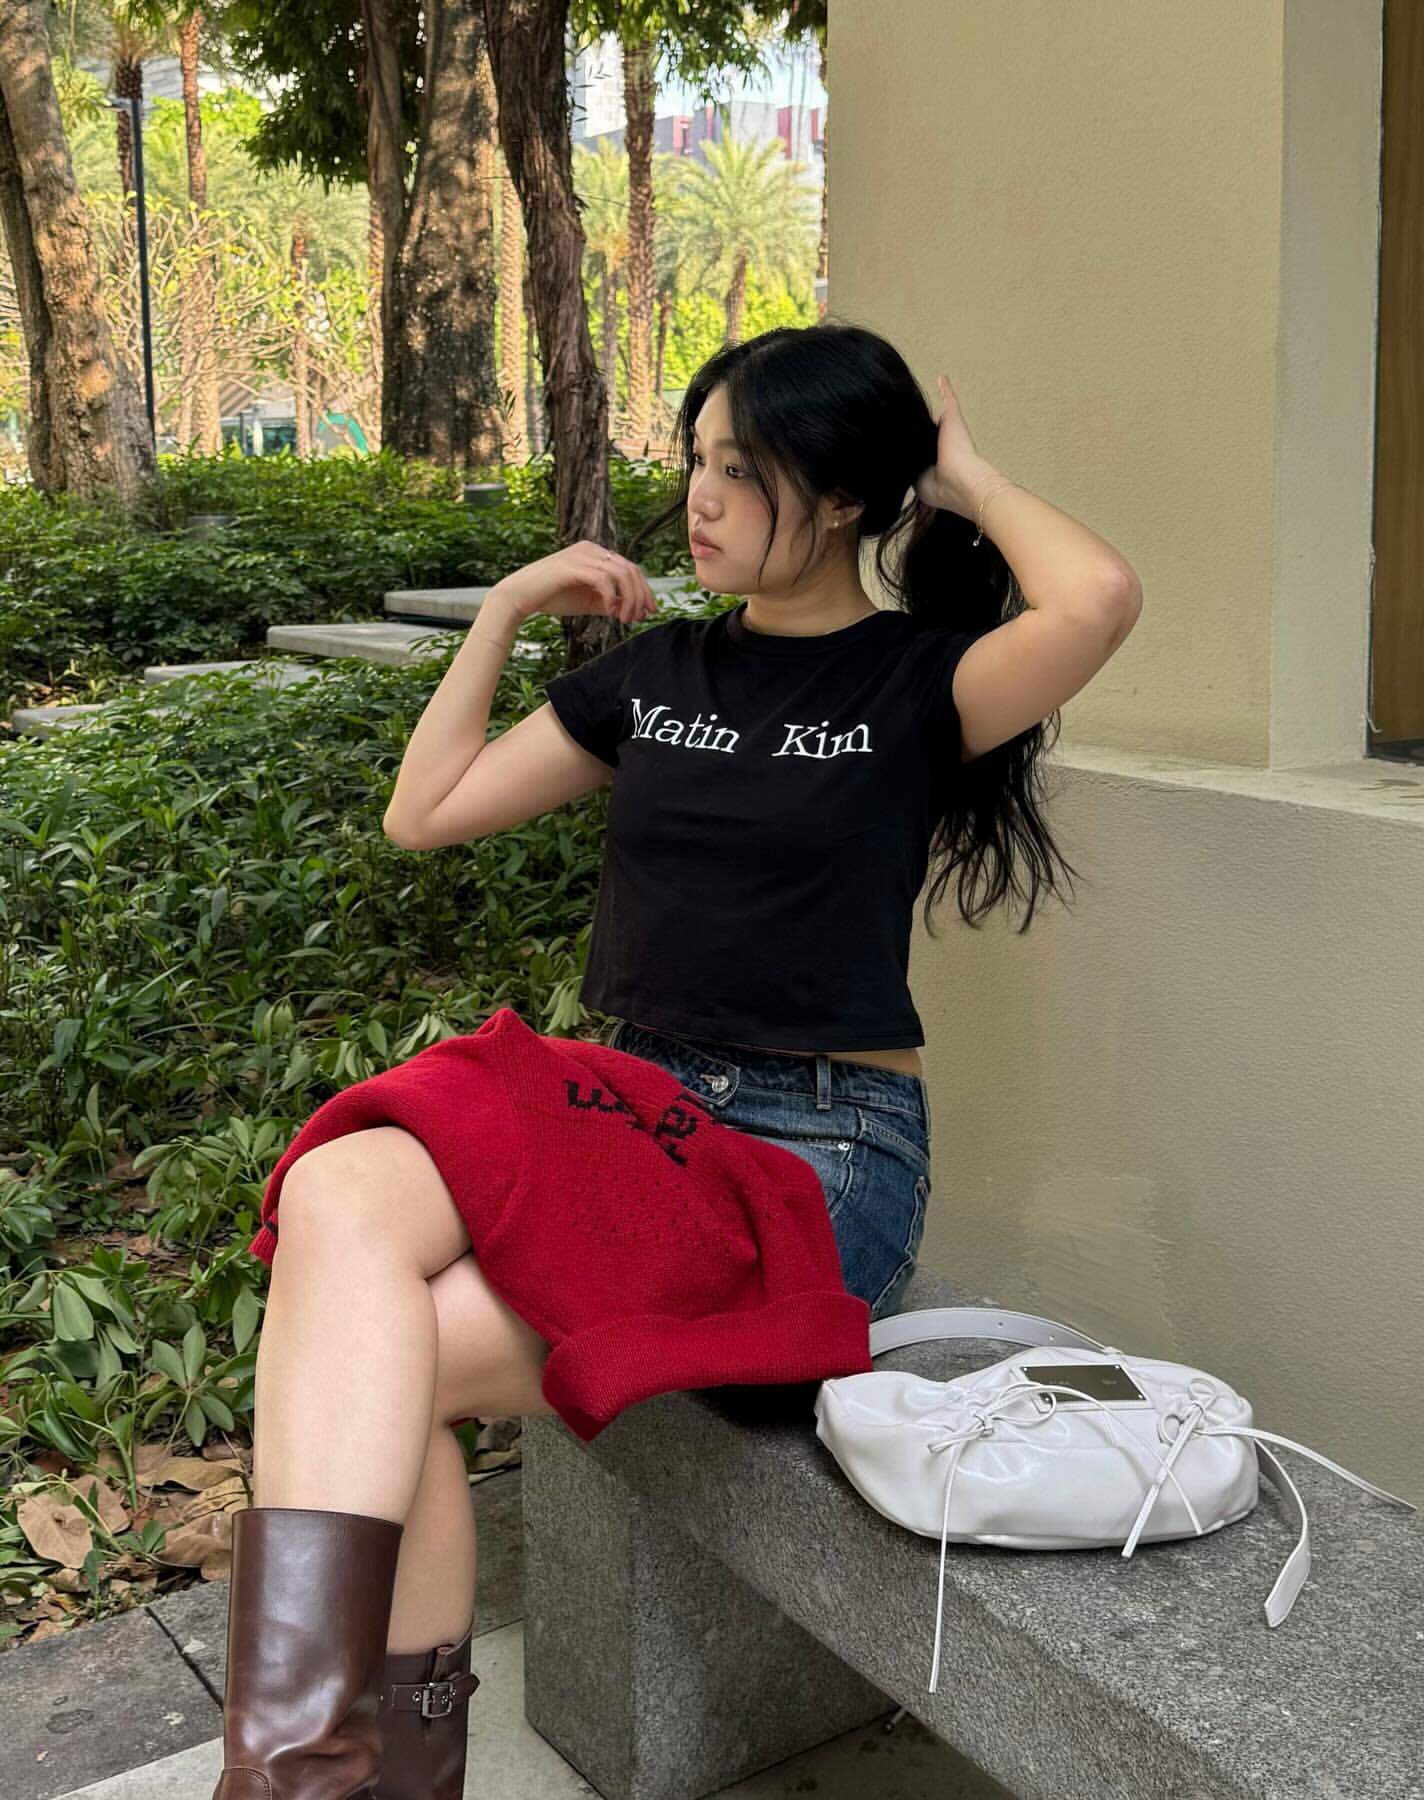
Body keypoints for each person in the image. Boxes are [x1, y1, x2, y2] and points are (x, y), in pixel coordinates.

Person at [211, 320, 1143, 1798]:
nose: (699, 497)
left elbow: (1097, 596)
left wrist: (962, 480)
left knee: (381, 1367)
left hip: (817, 1148)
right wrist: (506, 609)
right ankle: (319, 1778)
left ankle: (313, 1781)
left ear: (843, 497)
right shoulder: (660, 675)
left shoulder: (922, 681)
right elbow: (426, 811)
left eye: (742, 469)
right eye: (696, 460)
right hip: (629, 1107)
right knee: (341, 1202)